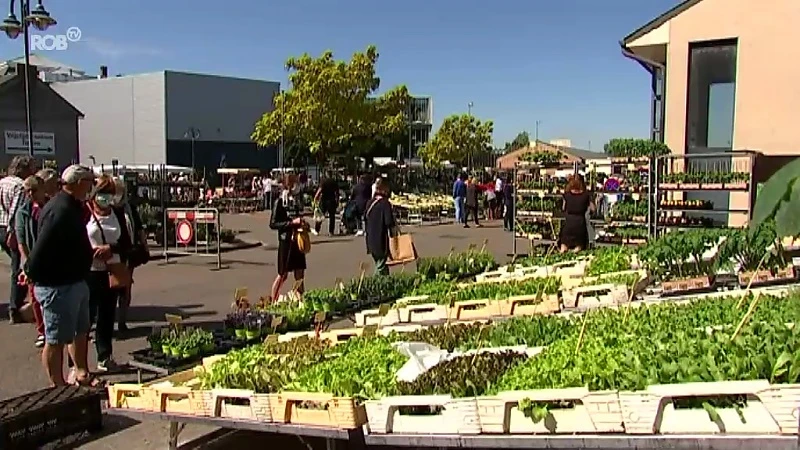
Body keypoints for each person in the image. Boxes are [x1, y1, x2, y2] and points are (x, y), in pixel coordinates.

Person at [25, 164, 97, 387]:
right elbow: (42, 247)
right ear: (77, 183)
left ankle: (81, 371)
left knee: (80, 330)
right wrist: (30, 272)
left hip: (75, 280)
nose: (91, 187)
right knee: (55, 338)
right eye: (88, 182)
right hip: (57, 285)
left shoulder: (73, 206)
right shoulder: (60, 209)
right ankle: (58, 385)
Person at [86, 175, 132, 372]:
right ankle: (77, 364)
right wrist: (93, 252)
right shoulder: (84, 214)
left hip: (112, 271)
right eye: (102, 193)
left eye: (109, 194)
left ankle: (104, 356)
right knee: (85, 318)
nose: (106, 198)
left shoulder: (119, 214)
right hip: (89, 271)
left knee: (106, 315)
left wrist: (111, 248)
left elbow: (128, 244)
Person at [0, 155, 36, 322]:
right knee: (19, 267)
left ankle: (16, 305)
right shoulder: (20, 186)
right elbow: (16, 210)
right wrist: (12, 232)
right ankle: (16, 308)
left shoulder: (3, 182)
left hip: (1, 225)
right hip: (11, 229)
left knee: (16, 266)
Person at [111, 177, 149, 333]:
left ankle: (122, 321)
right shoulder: (106, 208)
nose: (117, 194)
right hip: (112, 253)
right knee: (111, 288)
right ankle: (108, 322)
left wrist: (145, 246)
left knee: (125, 288)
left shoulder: (129, 208)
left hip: (128, 253)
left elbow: (139, 229)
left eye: (119, 190)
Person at [15, 175, 46, 347]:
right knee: (34, 296)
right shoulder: (23, 212)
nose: (30, 194)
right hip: (32, 259)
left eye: (33, 190)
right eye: (27, 191)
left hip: (49, 258)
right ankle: (41, 330)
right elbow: (21, 241)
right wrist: (27, 263)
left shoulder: (49, 207)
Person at [270, 175, 307, 300]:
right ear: (289, 185)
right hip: (286, 242)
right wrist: (291, 223)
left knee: (300, 273)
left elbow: (298, 217)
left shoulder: (296, 201)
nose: (298, 186)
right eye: (295, 183)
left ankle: (301, 300)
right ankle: (273, 301)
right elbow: (273, 223)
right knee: (283, 274)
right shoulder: (279, 201)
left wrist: (303, 223)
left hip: (298, 240)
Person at [365, 178, 396, 276]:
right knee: (380, 265)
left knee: (381, 264)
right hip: (381, 240)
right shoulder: (385, 204)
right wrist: (394, 235)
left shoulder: (370, 202)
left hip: (370, 239)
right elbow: (389, 222)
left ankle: (386, 282)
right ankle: (373, 285)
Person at [559, 175, 595, 253]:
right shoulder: (586, 196)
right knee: (579, 248)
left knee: (564, 245)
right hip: (580, 223)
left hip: (568, 223)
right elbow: (593, 208)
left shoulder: (567, 195)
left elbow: (563, 208)